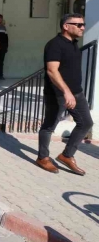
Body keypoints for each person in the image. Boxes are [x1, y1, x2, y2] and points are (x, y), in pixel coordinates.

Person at [36, 13, 92, 176]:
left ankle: (66, 156)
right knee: (49, 126)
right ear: (66, 26)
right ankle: (43, 157)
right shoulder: (55, 45)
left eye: (83, 24)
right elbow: (52, 71)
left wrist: (73, 93)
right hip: (58, 94)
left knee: (86, 123)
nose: (82, 27)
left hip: (76, 92)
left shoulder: (73, 44)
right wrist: (66, 93)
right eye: (78, 25)